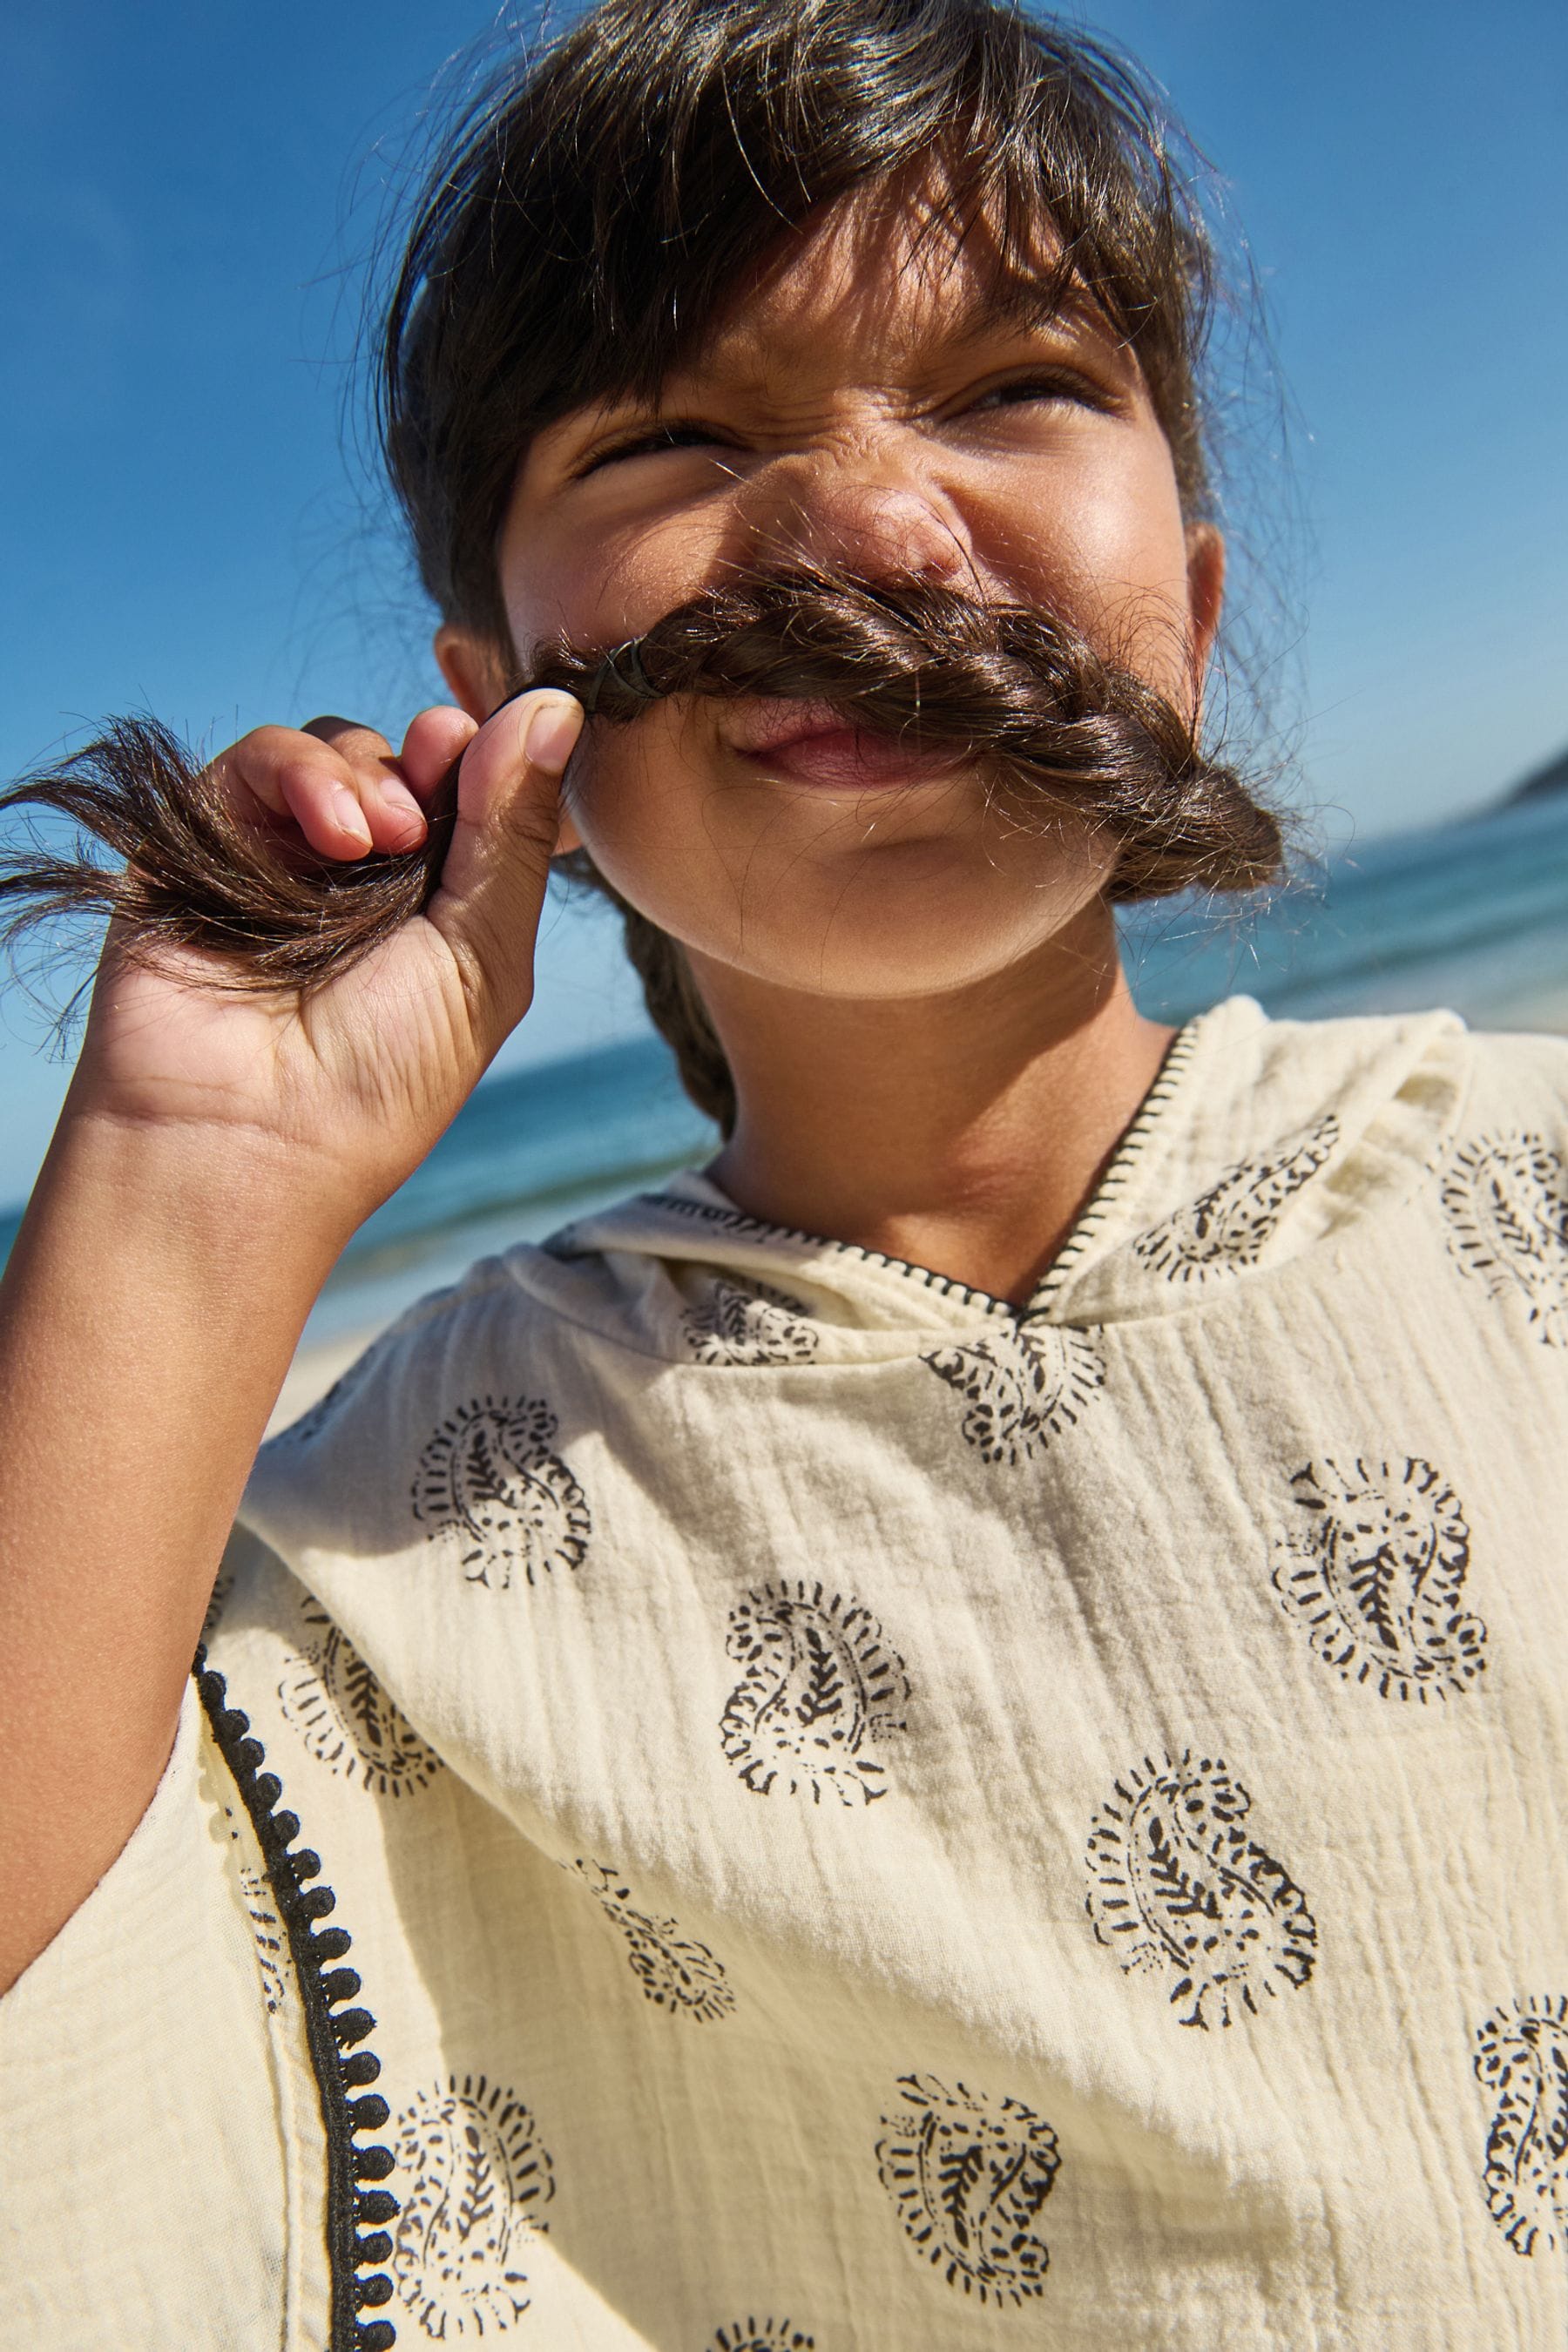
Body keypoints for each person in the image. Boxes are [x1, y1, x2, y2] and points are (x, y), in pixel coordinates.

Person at [2, 2, 1565, 2345]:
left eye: (1014, 384)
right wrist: (177, 1196)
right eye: (671, 434)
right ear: (506, 703)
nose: (865, 519)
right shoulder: (384, 1552)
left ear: (1199, 608)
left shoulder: (1514, 1197)